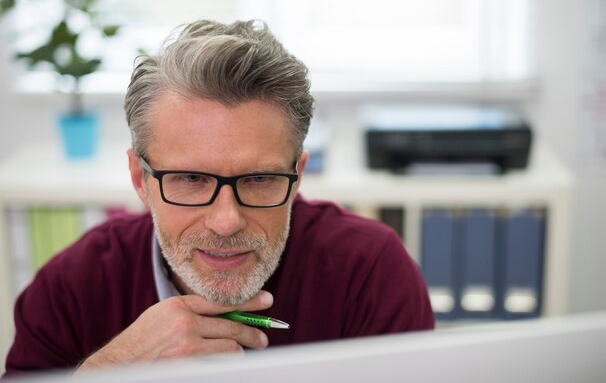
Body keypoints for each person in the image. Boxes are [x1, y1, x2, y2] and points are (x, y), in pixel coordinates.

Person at [3, 19, 434, 377]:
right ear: (140, 178)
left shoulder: (371, 273)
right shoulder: (69, 287)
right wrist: (109, 369)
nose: (226, 221)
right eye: (190, 179)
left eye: (259, 179)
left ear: (298, 175)